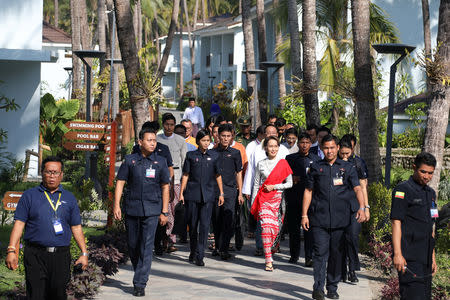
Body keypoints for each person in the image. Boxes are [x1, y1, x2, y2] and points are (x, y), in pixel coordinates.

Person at [5, 156, 88, 300]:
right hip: (35, 255)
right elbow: (19, 224)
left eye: (56, 172)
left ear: (61, 175)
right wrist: (12, 250)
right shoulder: (29, 196)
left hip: (60, 256)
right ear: (42, 173)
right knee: (36, 295)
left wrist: (84, 253)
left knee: (58, 295)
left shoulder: (69, 198)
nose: (52, 176)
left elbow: (76, 227)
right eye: (48, 172)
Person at [302, 134, 366, 300]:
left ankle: (332, 287)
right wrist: (304, 215)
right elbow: (308, 191)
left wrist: (362, 207)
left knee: (336, 255)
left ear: (337, 148)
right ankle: (318, 288)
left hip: (340, 220)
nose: (329, 151)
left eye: (332, 147)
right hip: (319, 219)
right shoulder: (315, 167)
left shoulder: (348, 168)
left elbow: (358, 188)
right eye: (326, 148)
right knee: (320, 254)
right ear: (322, 149)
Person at [114, 127, 170, 297]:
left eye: (154, 140)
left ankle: (140, 282)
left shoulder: (160, 162)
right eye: (149, 140)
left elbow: (165, 187)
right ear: (140, 142)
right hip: (132, 209)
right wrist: (116, 205)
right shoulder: (130, 160)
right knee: (133, 245)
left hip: (152, 210)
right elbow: (121, 182)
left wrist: (164, 211)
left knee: (146, 246)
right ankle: (140, 271)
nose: (152, 143)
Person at [390, 152, 438, 300]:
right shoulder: (402, 190)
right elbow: (396, 222)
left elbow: (431, 227)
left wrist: (433, 256)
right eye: (423, 171)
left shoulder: (431, 193)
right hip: (409, 256)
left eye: (430, 173)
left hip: (425, 257)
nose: (426, 176)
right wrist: (398, 254)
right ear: (414, 168)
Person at [179, 129, 225, 266]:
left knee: (204, 226)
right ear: (198, 141)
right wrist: (181, 192)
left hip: (209, 195)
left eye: (208, 140)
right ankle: (193, 251)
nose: (206, 143)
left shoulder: (214, 156)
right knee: (192, 225)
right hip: (192, 195)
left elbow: (218, 175)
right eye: (203, 140)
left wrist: (221, 193)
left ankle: (200, 254)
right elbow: (186, 175)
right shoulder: (191, 155)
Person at [243, 124, 290, 256]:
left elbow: (288, 176)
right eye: (269, 133)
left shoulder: (284, 150)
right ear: (264, 135)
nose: (272, 135)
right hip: (262, 193)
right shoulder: (257, 150)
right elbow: (251, 171)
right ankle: (260, 245)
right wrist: (248, 190)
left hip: (279, 193)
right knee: (262, 220)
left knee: (277, 220)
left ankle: (274, 245)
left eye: (274, 133)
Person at [250, 136, 293, 271]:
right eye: (270, 146)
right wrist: (253, 203)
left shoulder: (283, 164)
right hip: (263, 200)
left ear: (278, 148)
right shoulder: (260, 164)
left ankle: (272, 247)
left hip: (278, 201)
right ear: (265, 148)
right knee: (266, 227)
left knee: (274, 229)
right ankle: (268, 260)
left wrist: (275, 186)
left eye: (275, 146)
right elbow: (256, 184)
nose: (273, 149)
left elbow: (290, 183)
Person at [285, 132, 320, 266]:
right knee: (293, 228)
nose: (304, 145)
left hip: (310, 199)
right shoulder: (290, 158)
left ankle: (308, 257)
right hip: (293, 196)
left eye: (307, 143)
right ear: (298, 144)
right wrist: (291, 178)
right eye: (302, 143)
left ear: (311, 144)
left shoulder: (316, 160)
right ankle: (294, 255)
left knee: (308, 229)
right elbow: (284, 175)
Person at [338, 136, 370, 283]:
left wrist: (366, 207)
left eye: (347, 153)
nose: (345, 157)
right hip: (338, 207)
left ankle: (352, 269)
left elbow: (363, 187)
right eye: (342, 153)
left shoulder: (358, 163)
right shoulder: (334, 163)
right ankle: (341, 270)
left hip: (355, 206)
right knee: (340, 239)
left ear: (352, 150)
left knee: (352, 236)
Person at [211, 124, 244, 260]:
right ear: (218, 136)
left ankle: (224, 248)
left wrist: (240, 192)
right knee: (217, 219)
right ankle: (218, 247)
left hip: (230, 190)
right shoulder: (212, 152)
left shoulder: (235, 153)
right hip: (215, 190)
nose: (225, 139)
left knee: (228, 219)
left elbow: (239, 173)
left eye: (228, 136)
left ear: (232, 137)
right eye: (223, 136)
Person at [157, 113, 187, 254]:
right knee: (164, 210)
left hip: (176, 179)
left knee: (174, 210)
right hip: (160, 180)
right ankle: (162, 238)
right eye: (167, 124)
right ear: (163, 124)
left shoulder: (180, 141)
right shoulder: (157, 139)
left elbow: (184, 162)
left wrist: (182, 183)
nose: (169, 127)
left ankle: (171, 239)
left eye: (171, 124)